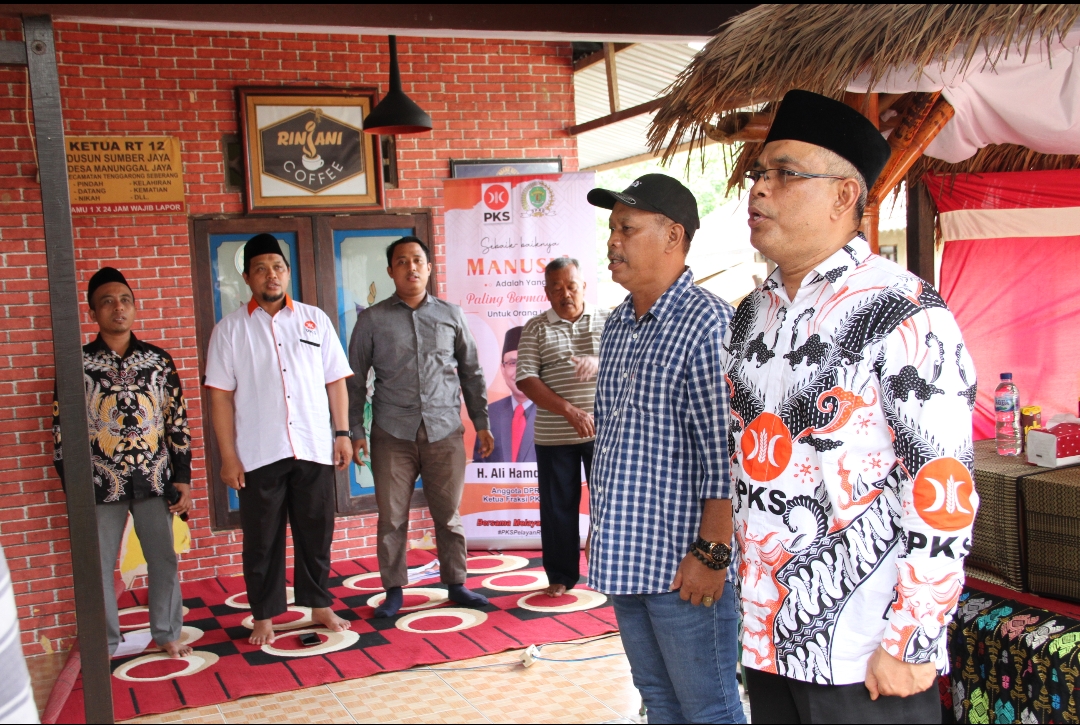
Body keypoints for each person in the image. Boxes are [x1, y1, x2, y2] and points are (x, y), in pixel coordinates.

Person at [726, 90, 978, 724]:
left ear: (844, 196)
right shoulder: (751, 315)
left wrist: (914, 639)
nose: (759, 189)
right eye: (759, 172)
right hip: (768, 635)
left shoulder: (903, 310)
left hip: (864, 651)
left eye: (785, 173)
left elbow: (942, 484)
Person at [587, 175, 745, 723]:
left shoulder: (708, 323)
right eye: (612, 229)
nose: (613, 242)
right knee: (658, 702)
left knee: (710, 710)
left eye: (627, 229)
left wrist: (712, 554)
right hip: (627, 553)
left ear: (673, 236)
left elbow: (724, 457)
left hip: (685, 566)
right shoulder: (618, 325)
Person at [205, 234, 353, 646]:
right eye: (261, 268)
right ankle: (264, 615)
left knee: (316, 532)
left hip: (313, 445)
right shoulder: (229, 331)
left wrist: (342, 433)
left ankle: (319, 604)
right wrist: (228, 456)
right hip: (259, 451)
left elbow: (336, 381)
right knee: (262, 540)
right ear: (247, 277)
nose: (270, 275)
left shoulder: (314, 319)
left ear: (287, 273)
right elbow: (220, 397)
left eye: (277, 267)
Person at [348, 236, 494, 618]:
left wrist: (481, 422)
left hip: (444, 431)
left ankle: (456, 583)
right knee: (392, 517)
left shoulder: (451, 315)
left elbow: (472, 372)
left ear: (429, 267)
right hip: (391, 434)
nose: (410, 268)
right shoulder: (371, 320)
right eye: (402, 261)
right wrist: (355, 431)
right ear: (390, 271)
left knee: (448, 514)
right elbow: (355, 379)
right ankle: (394, 590)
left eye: (417, 260)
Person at [52, 267, 192, 658]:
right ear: (92, 312)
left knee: (163, 559)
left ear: (134, 307)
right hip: (99, 484)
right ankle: (104, 644)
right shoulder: (76, 364)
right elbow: (63, 432)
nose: (118, 308)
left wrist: (183, 477)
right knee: (96, 568)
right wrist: (75, 488)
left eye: (125, 300)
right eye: (108, 302)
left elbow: (177, 422)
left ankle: (167, 633)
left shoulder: (158, 361)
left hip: (154, 478)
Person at [516, 257, 608, 597]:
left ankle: (609, 570)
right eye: (557, 288)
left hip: (606, 433)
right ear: (547, 292)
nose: (565, 294)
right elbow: (525, 378)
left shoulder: (609, 320)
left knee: (611, 503)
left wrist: (599, 362)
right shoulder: (536, 328)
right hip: (554, 435)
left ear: (583, 285)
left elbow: (634, 362)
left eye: (571, 286)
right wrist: (569, 411)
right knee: (558, 509)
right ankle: (561, 575)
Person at [475, 326, 536, 463]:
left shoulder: (557, 413)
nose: (520, 371)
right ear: (503, 369)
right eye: (513, 363)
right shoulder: (489, 415)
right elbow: (480, 468)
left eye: (527, 362)